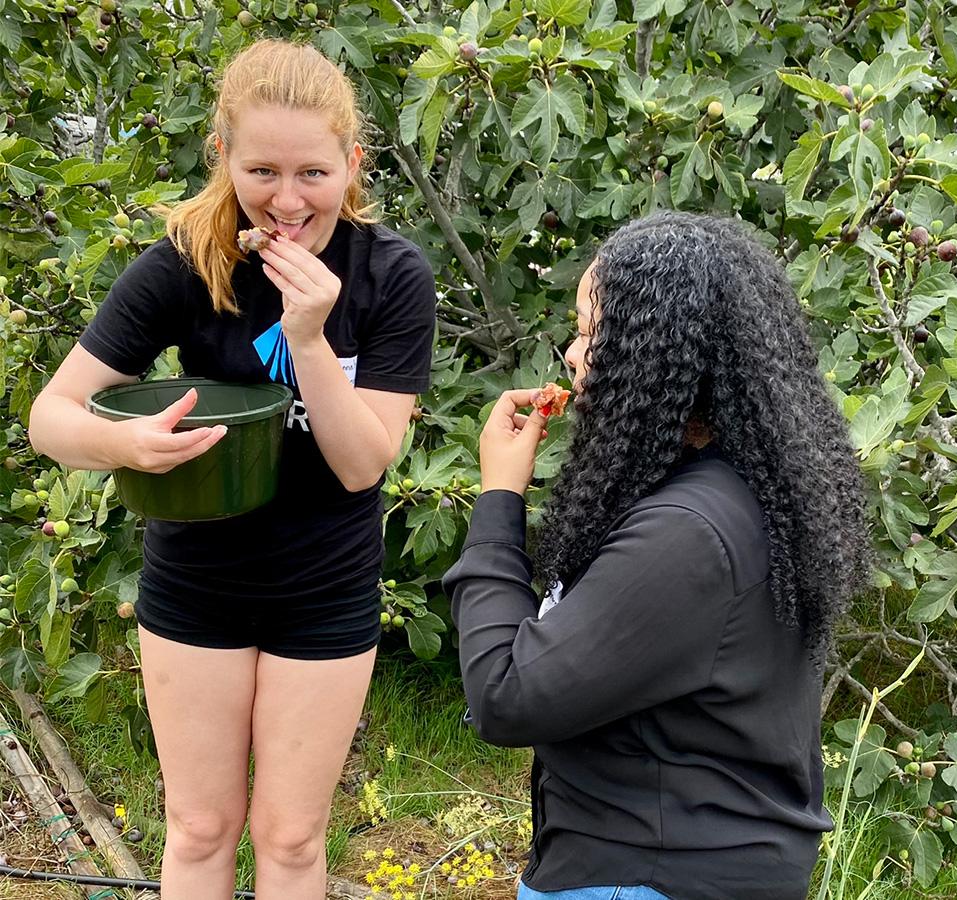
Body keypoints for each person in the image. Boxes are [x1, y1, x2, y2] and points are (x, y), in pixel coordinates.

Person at [28, 39, 435, 900]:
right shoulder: (184, 265)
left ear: (352, 163)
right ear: (222, 156)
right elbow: (51, 419)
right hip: (196, 580)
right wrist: (127, 446)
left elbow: (364, 467)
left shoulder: (391, 277)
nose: (287, 201)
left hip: (326, 585)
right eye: (262, 171)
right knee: (200, 826)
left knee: (290, 840)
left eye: (314, 174)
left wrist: (310, 337)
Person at [443, 211, 872, 900]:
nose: (573, 354)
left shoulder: (688, 534)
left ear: (659, 348)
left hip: (648, 876)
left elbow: (506, 696)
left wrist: (497, 502)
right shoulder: (743, 486)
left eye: (592, 330)